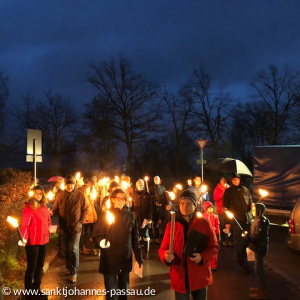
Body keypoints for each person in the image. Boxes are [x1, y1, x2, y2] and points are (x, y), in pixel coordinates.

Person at [158, 190, 219, 300]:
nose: (184, 206)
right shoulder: (172, 225)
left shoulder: (204, 224)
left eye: (188, 203)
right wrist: (166, 257)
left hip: (200, 275)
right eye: (182, 203)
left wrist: (202, 257)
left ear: (195, 205)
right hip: (180, 276)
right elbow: (163, 248)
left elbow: (214, 247)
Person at [92, 188, 143, 300]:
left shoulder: (130, 216)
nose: (120, 200)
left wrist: (139, 257)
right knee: (111, 293)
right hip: (110, 258)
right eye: (118, 198)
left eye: (123, 198)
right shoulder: (105, 215)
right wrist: (101, 241)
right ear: (112, 200)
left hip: (125, 258)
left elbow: (135, 238)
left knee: (124, 292)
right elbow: (97, 235)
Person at [51, 174, 88, 283]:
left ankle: (74, 272)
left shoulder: (80, 195)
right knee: (66, 249)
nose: (70, 187)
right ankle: (68, 267)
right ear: (65, 185)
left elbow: (85, 209)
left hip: (76, 228)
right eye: (68, 185)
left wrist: (81, 221)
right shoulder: (60, 196)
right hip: (63, 227)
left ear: (74, 185)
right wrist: (51, 212)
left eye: (71, 184)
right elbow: (56, 209)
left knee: (74, 249)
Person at [20, 185, 51, 299]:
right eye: (36, 193)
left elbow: (48, 221)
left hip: (44, 241)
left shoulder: (44, 207)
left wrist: (49, 229)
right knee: (32, 267)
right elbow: (25, 226)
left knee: (40, 266)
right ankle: (29, 292)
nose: (38, 195)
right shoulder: (29, 208)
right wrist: (23, 238)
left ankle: (36, 289)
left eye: (40, 193)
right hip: (32, 242)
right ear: (32, 194)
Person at [223, 173, 253, 274]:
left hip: (247, 220)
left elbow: (250, 202)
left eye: (238, 179)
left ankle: (247, 262)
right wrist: (227, 222)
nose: (236, 181)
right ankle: (241, 264)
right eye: (234, 179)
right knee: (240, 242)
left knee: (247, 242)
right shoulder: (228, 192)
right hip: (236, 221)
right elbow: (225, 207)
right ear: (231, 180)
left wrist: (253, 211)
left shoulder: (245, 190)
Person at [244, 203, 270, 300]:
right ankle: (260, 287)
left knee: (259, 268)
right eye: (253, 209)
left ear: (259, 210)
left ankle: (262, 291)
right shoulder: (256, 220)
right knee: (257, 268)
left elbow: (258, 237)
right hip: (257, 247)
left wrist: (247, 237)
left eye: (255, 209)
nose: (253, 211)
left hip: (260, 248)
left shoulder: (261, 222)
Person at [132, 179, 152, 259]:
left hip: (145, 218)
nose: (140, 187)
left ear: (143, 185)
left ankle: (147, 252)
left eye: (141, 185)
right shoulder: (134, 194)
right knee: (138, 236)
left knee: (146, 235)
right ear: (136, 186)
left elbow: (150, 208)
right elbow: (132, 207)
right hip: (136, 219)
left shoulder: (147, 195)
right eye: (138, 185)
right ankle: (139, 252)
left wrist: (148, 218)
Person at [213, 177, 233, 247]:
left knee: (229, 225)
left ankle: (230, 239)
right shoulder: (217, 188)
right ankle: (223, 240)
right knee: (222, 224)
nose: (223, 181)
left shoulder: (229, 188)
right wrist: (223, 193)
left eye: (224, 180)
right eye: (222, 179)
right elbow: (215, 198)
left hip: (228, 210)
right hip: (221, 210)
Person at [202, 201, 220, 271]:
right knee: (205, 250)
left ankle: (213, 264)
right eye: (209, 208)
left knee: (213, 250)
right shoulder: (203, 216)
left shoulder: (215, 217)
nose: (211, 209)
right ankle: (206, 263)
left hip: (213, 235)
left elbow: (217, 226)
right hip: (205, 236)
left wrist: (218, 234)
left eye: (212, 208)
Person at [80, 184, 97, 255]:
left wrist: (95, 216)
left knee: (87, 234)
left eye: (89, 189)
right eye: (87, 189)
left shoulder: (90, 197)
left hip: (90, 218)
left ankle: (85, 246)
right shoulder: (82, 197)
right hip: (84, 218)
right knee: (82, 233)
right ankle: (82, 247)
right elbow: (83, 207)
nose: (89, 190)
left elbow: (92, 207)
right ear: (84, 189)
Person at [149, 175, 166, 244]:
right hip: (153, 207)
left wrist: (161, 203)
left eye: (157, 180)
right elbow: (150, 197)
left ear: (160, 181)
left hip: (160, 208)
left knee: (159, 222)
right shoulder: (151, 188)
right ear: (154, 180)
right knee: (153, 222)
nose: (156, 181)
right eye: (155, 180)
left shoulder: (163, 188)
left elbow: (164, 197)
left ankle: (158, 237)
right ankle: (153, 237)